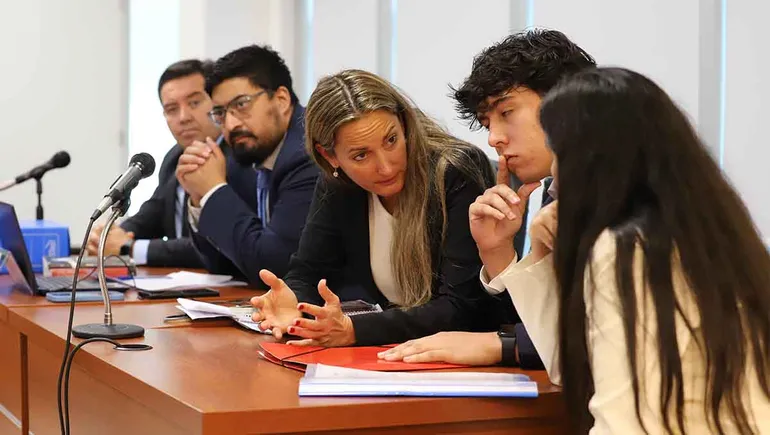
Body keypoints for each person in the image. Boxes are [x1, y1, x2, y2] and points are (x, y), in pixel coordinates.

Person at [392, 67, 770, 433]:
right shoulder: (707, 229)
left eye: (560, 151)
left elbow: (623, 419)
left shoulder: (627, 248)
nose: (494, 139)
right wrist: (537, 254)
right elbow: (569, 364)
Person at [380, 30, 596, 369]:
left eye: (506, 113)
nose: (494, 138)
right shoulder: (552, 191)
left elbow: (609, 332)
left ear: (566, 102)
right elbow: (542, 319)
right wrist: (497, 252)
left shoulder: (625, 188)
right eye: (486, 124)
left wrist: (502, 346)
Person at [250, 69, 497, 346]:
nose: (385, 167)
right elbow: (307, 271)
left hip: (465, 353)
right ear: (329, 156)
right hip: (396, 350)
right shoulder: (339, 184)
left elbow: (461, 307)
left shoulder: (454, 171)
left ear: (404, 124)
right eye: (361, 155)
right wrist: (294, 304)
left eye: (391, 140)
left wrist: (353, 330)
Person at [175, 45, 318, 287]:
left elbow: (275, 269)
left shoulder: (308, 154)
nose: (230, 125)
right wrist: (200, 199)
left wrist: (213, 191)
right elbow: (224, 264)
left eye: (241, 104)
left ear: (281, 100)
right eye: (220, 113)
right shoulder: (244, 157)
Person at [86, 59, 220, 268]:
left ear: (217, 104)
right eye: (172, 109)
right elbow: (152, 214)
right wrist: (110, 236)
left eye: (194, 103)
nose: (183, 117)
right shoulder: (173, 158)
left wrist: (129, 248)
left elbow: (215, 245)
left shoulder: (241, 160)